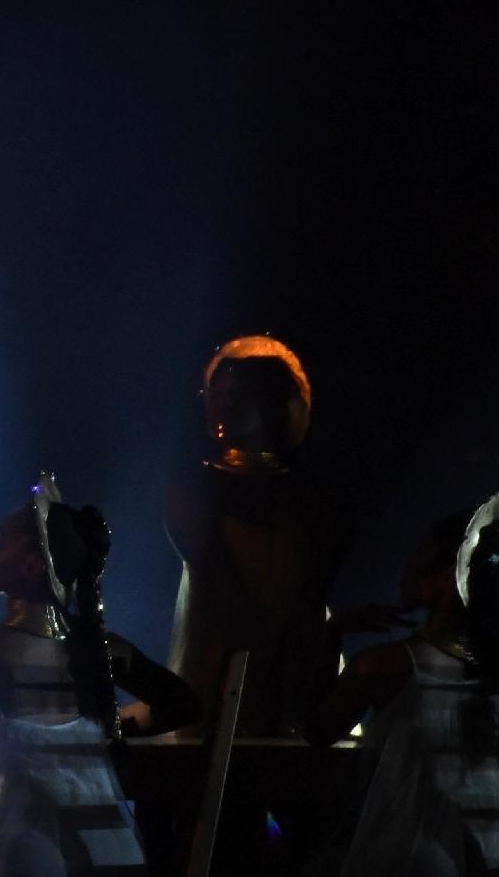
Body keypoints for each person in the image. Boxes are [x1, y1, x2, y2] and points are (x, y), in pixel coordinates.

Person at [0, 475, 198, 877]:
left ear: (31, 565)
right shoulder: (102, 649)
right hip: (111, 860)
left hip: (19, 864)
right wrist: (104, 726)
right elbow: (182, 704)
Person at [164, 334, 353, 735]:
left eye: (243, 392)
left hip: (299, 663)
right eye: (219, 391)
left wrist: (295, 670)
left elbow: (312, 594)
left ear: (276, 403)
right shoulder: (194, 488)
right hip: (214, 667)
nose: (225, 402)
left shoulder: (319, 499)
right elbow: (219, 583)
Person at [307, 498, 499, 874]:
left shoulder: (384, 667)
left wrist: (332, 633)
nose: (409, 564)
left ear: (449, 576)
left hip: (411, 857)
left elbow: (316, 729)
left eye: (421, 555)